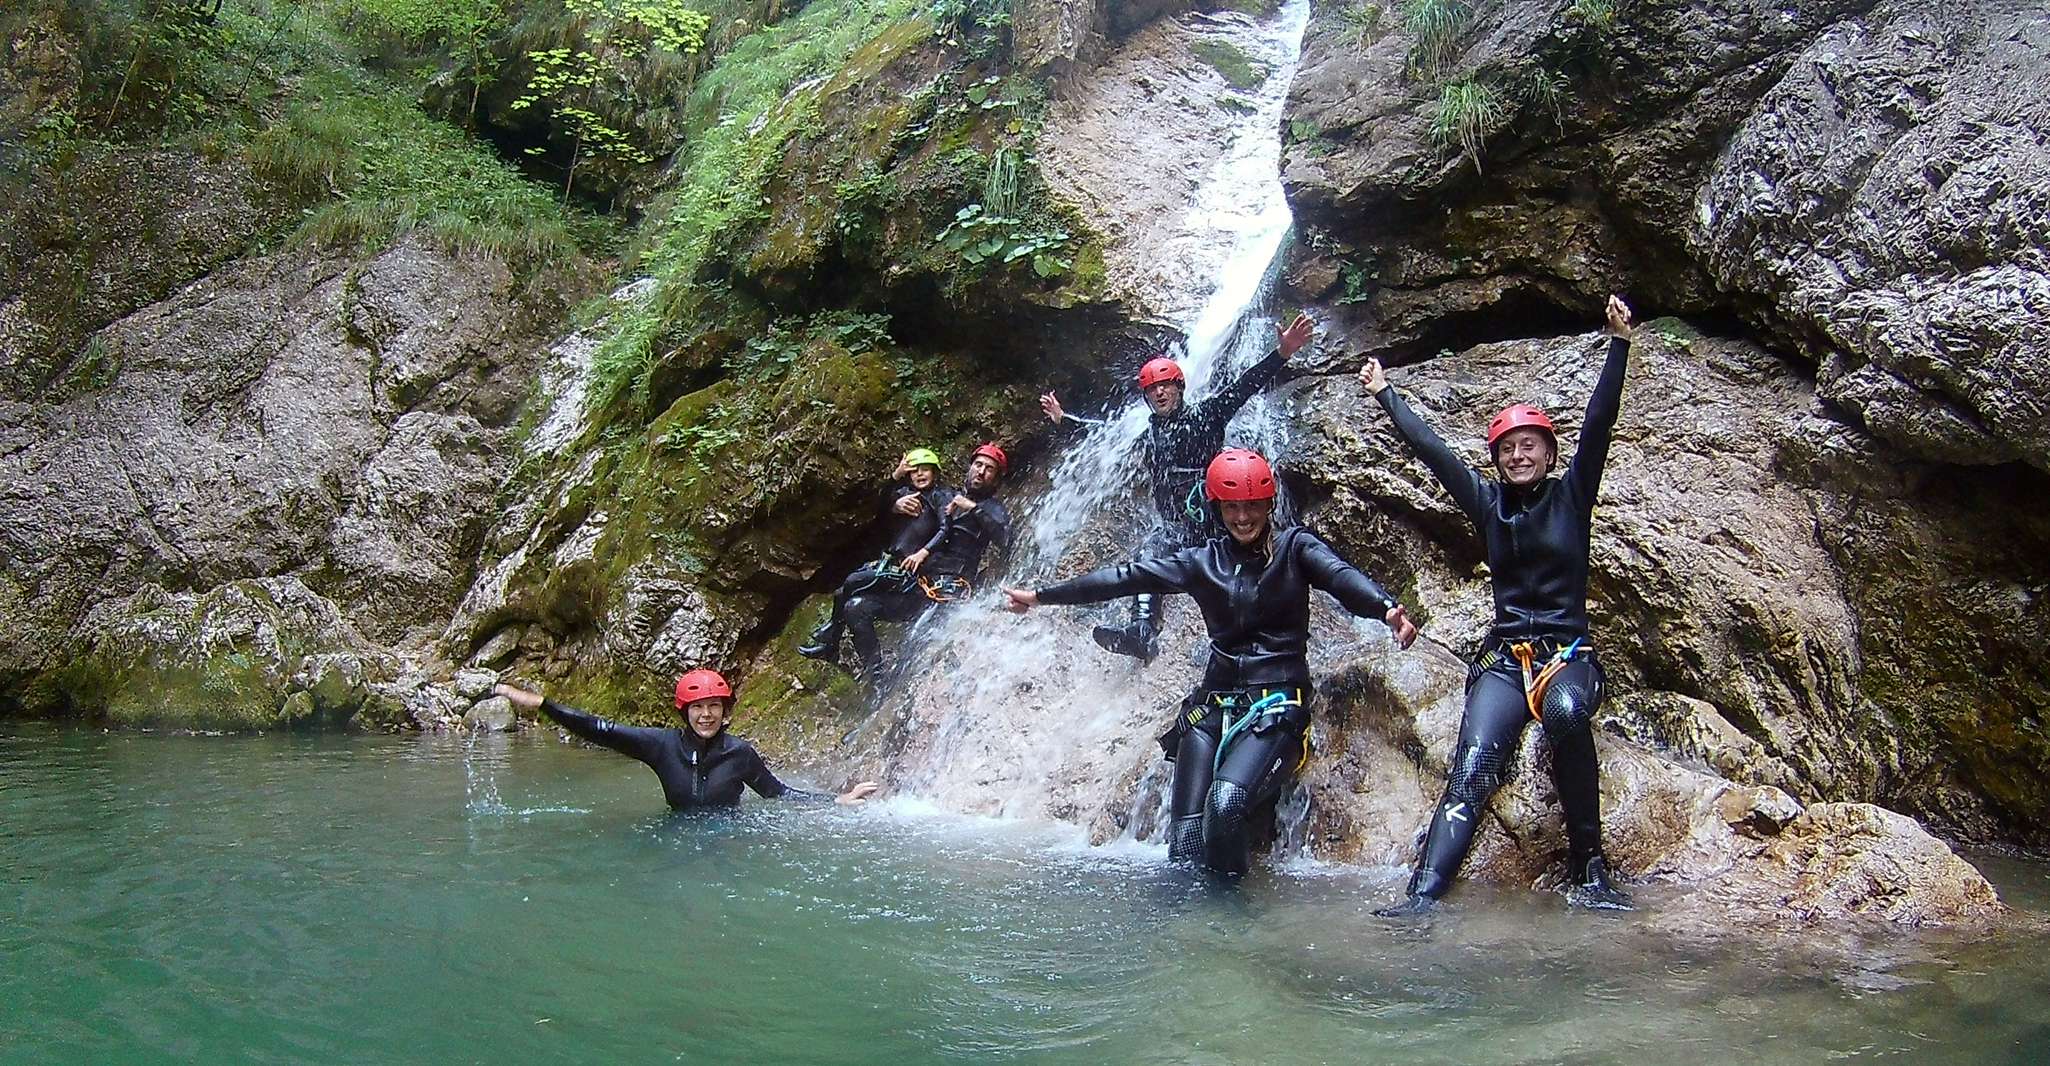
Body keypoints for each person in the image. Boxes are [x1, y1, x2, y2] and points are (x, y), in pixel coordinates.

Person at [1001, 448, 1418, 877]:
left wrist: (1386, 609)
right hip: (1211, 706)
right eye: (1232, 507)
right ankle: (1188, 929)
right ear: (1216, 508)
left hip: (1277, 704)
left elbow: (1340, 575)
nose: (1243, 517)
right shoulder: (1203, 562)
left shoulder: (1296, 548)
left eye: (1252, 505)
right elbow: (1127, 577)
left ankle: (1230, 923)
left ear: (1268, 504)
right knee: (1184, 840)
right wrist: (1041, 597)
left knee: (1225, 803)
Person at [1360, 295, 1638, 915]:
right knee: (1475, 761)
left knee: (1567, 711)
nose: (1519, 455)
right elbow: (1434, 454)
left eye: (1530, 445)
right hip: (1506, 662)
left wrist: (1618, 344)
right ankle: (1423, 894)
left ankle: (1589, 868)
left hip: (1569, 655)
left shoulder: (1572, 497)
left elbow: (1600, 423)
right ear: (1497, 458)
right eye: (1508, 448)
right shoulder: (1487, 505)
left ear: (1548, 452)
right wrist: (1386, 395)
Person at [1039, 314, 1315, 663]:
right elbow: (1103, 436)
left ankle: (1246, 636)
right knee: (1150, 550)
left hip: (1217, 524)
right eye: (1153, 388)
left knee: (1238, 567)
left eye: (1166, 384)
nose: (1160, 392)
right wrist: (1066, 421)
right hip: (1178, 529)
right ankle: (1142, 630)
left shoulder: (1206, 416)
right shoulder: (1149, 435)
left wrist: (1282, 352)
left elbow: (1243, 387)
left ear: (1180, 387)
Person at [492, 670, 879, 809]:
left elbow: (780, 795)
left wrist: (836, 801)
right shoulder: (660, 746)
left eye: (713, 706)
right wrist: (544, 704)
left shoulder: (740, 754)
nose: (706, 714)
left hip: (726, 841)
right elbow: (599, 729)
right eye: (697, 707)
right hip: (675, 835)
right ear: (684, 712)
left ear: (725, 712)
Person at [834, 443, 1013, 685]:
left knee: (918, 647)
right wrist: (894, 505)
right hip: (916, 585)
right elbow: (880, 510)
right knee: (855, 607)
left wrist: (973, 508)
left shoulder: (994, 509)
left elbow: (1005, 538)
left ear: (997, 478)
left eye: (989, 469)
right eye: (978, 464)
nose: (981, 472)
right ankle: (876, 679)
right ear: (969, 467)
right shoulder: (943, 495)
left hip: (949, 590)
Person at [800, 448, 955, 666]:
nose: (920, 475)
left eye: (926, 470)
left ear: (935, 473)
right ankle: (864, 663)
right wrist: (895, 481)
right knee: (844, 597)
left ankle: (831, 635)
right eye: (915, 471)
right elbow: (876, 507)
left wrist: (923, 553)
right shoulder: (903, 494)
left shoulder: (941, 495)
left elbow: (945, 527)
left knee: (853, 580)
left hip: (910, 572)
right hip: (891, 563)